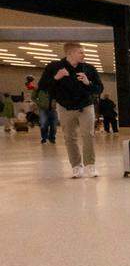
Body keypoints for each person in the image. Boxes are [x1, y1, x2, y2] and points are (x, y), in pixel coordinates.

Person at [37, 42, 103, 178]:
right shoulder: (54, 67)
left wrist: (88, 83)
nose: (84, 55)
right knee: (69, 137)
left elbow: (99, 88)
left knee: (88, 134)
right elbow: (42, 86)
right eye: (81, 52)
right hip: (64, 107)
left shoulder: (89, 68)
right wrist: (56, 78)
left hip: (86, 106)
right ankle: (76, 166)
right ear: (70, 53)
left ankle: (90, 165)